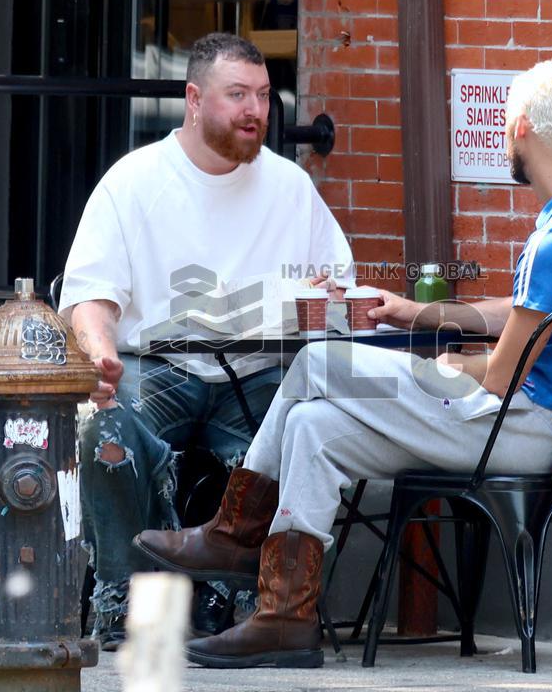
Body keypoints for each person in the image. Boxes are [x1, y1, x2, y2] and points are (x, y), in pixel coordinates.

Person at [133, 59, 552, 669]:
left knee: (319, 362)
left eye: (508, 121)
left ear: (524, 127)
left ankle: (235, 532)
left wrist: (450, 365)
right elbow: (523, 312)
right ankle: (286, 618)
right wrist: (413, 314)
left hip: (516, 427)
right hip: (539, 425)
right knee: (312, 428)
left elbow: (501, 373)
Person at [58, 32, 355, 649]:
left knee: (305, 426)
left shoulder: (290, 188)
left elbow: (340, 298)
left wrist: (329, 299)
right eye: (237, 95)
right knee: (101, 428)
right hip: (154, 365)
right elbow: (91, 296)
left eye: (264, 96)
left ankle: (251, 602)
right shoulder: (134, 181)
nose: (255, 111)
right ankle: (125, 599)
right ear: (194, 99)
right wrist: (100, 351)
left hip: (258, 370)